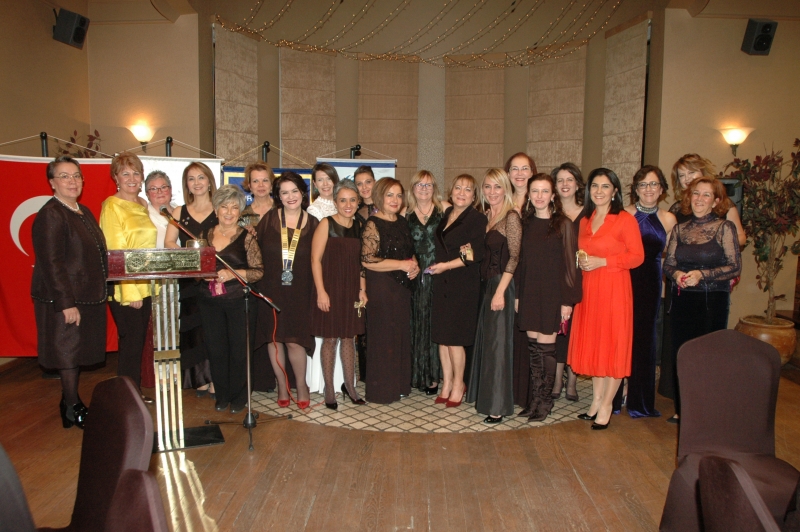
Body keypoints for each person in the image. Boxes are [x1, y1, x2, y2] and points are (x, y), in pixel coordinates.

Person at [31, 156, 108, 428]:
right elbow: (51, 263)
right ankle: (73, 407)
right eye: (64, 176)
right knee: (68, 354)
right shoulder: (51, 214)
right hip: (64, 298)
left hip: (84, 295)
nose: (72, 181)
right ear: (52, 183)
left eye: (76, 175)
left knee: (76, 352)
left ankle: (68, 402)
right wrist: (66, 303)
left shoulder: (81, 210)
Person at [569, 168, 644, 430]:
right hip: (589, 290)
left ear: (615, 191)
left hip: (614, 289)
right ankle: (596, 400)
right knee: (596, 345)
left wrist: (603, 261)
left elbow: (637, 256)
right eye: (595, 186)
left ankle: (607, 405)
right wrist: (582, 261)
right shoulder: (585, 220)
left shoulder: (625, 219)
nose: (599, 191)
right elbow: (581, 252)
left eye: (605, 186)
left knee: (612, 346)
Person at [663, 178, 741, 423]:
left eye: (706, 195)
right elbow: (668, 264)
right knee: (682, 355)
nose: (699, 199)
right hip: (682, 300)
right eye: (696, 193)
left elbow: (734, 266)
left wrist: (702, 274)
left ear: (716, 201)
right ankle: (682, 409)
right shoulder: (679, 229)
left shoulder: (725, 227)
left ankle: (708, 411)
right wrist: (676, 274)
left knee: (709, 357)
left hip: (712, 301)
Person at [516, 173, 581, 422]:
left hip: (553, 294)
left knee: (546, 350)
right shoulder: (526, 223)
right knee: (534, 349)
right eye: (535, 191)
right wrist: (518, 295)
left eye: (545, 191)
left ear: (553, 195)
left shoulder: (563, 224)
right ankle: (535, 399)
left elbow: (571, 266)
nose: (539, 196)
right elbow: (521, 262)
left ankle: (545, 402)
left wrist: (567, 302)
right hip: (530, 292)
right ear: (529, 195)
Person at [195, 185, 263, 413]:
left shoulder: (247, 237)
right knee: (216, 350)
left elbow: (258, 271)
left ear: (240, 212)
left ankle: (239, 396)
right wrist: (202, 275)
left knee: (239, 351)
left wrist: (233, 273)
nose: (229, 212)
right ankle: (222, 395)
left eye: (235, 207)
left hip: (239, 302)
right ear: (216, 210)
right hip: (209, 303)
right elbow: (194, 267)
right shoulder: (203, 236)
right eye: (224, 206)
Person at [255, 172, 319, 409]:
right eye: (284, 192)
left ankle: (301, 385)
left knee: (295, 341)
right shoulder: (269, 220)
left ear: (303, 193)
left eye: (294, 191)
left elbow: (320, 259)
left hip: (300, 292)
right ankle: (281, 385)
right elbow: (254, 253)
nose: (290, 196)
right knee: (274, 340)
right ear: (278, 196)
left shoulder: (314, 223)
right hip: (271, 289)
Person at [465, 169, 522, 424]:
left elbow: (515, 257)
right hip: (486, 285)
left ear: (506, 189)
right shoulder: (487, 216)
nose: (492, 192)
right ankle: (487, 398)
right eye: (487, 187)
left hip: (501, 285)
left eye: (497, 187)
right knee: (488, 345)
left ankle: (497, 406)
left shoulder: (511, 216)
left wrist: (500, 292)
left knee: (498, 347)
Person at [100, 152, 157, 402]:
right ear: (116, 177)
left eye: (136, 173)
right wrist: (131, 290)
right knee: (131, 343)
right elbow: (116, 252)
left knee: (137, 342)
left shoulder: (143, 203)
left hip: (145, 284)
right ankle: (127, 398)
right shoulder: (112, 206)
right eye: (125, 173)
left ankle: (132, 393)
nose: (132, 178)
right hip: (126, 288)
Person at [621, 166, 676, 418]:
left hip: (651, 282)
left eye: (653, 184)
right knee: (622, 334)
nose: (649, 189)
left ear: (662, 188)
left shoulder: (668, 219)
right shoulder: (625, 214)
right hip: (624, 278)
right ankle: (616, 393)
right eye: (643, 184)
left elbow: (672, 257)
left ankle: (639, 399)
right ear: (636, 189)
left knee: (644, 338)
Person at [361, 178, 419, 404]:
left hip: (402, 288)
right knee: (383, 336)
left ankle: (399, 385)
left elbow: (409, 252)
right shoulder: (373, 223)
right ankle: (382, 390)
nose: (395, 200)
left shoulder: (402, 221)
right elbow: (367, 260)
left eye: (398, 195)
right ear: (379, 197)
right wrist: (402, 265)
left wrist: (414, 265)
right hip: (382, 286)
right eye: (389, 195)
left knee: (400, 335)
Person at [429, 175, 486, 407]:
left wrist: (445, 266)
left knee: (454, 339)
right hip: (441, 283)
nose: (462, 193)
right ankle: (447, 382)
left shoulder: (477, 219)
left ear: (474, 196)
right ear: (451, 192)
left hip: (462, 283)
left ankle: (459, 384)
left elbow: (473, 254)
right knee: (442, 338)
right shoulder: (447, 214)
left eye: (468, 190)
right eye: (458, 188)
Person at [310, 180, 367, 409]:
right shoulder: (326, 224)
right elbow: (315, 261)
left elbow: (362, 263)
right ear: (335, 202)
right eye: (343, 200)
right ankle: (329, 389)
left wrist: (362, 289)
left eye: (352, 200)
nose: (348, 205)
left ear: (358, 202)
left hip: (352, 289)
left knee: (349, 338)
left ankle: (350, 386)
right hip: (330, 289)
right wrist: (321, 292)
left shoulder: (360, 227)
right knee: (330, 338)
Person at [164, 162, 218, 397]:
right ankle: (198, 378)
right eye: (191, 179)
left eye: (201, 177)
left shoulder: (221, 208)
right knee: (193, 329)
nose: (197, 183)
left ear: (209, 181)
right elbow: (169, 242)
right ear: (186, 184)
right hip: (189, 278)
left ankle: (215, 377)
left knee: (214, 329)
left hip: (215, 277)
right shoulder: (178, 212)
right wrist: (188, 258)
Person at [407, 170, 451, 395]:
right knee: (417, 323)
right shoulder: (405, 213)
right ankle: (417, 375)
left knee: (436, 324)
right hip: (415, 277)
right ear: (413, 188)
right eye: (419, 185)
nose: (424, 189)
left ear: (434, 188)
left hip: (440, 275)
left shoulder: (445, 209)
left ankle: (434, 377)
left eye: (428, 185)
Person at [551, 162, 585, 401]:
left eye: (569, 179)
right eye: (560, 180)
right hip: (555, 280)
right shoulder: (550, 213)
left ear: (578, 184)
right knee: (557, 330)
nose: (564, 184)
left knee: (576, 331)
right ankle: (556, 379)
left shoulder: (589, 213)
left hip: (582, 278)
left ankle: (572, 380)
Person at [669, 153, 746, 245]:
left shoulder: (723, 203)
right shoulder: (677, 209)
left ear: (703, 172)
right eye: (682, 175)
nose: (687, 178)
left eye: (691, 172)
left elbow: (741, 237)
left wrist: (719, 244)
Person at [353, 165, 377, 382]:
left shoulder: (390, 205)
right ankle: (367, 372)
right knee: (364, 323)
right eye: (359, 184)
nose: (364, 187)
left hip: (387, 273)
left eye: (368, 182)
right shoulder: (354, 213)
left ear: (375, 182)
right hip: (362, 273)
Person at [144, 170, 176, 247]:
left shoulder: (182, 211)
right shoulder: (144, 216)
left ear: (170, 190)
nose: (159, 192)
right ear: (147, 194)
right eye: (154, 189)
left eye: (163, 187)